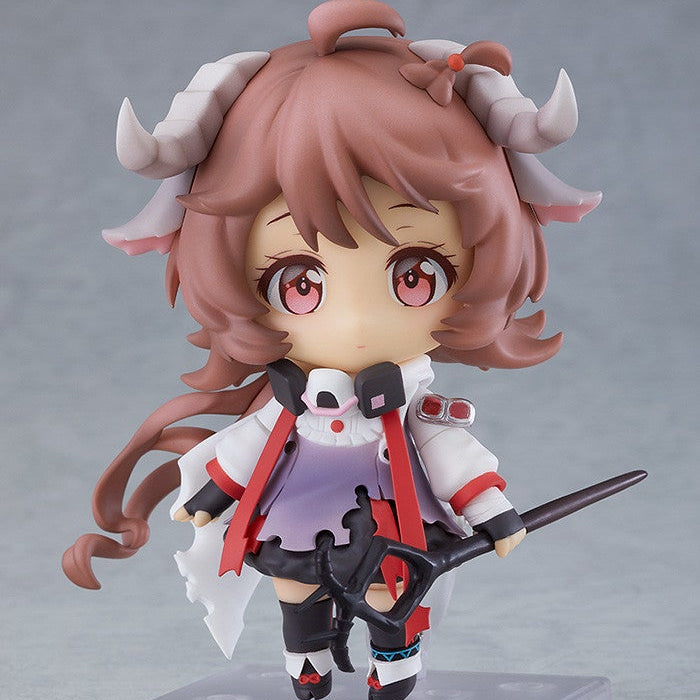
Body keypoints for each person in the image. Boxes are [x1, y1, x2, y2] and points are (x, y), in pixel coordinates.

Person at [63, 2, 600, 698]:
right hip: (296, 511)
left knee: (389, 592)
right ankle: (308, 663)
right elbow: (254, 441)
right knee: (294, 588)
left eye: (413, 275)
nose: (354, 320)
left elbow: (446, 451)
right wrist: (215, 490)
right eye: (301, 283)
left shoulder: (410, 405)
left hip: (392, 521)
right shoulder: (289, 404)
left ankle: (392, 666)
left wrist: (487, 506)